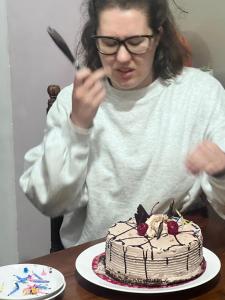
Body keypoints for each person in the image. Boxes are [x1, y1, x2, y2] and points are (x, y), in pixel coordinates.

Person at [20, 0, 225, 248]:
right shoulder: (71, 101)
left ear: (158, 36)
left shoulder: (201, 93)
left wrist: (221, 172)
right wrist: (77, 126)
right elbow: (48, 200)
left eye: (136, 41)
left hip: (168, 257)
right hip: (90, 260)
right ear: (94, 39)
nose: (122, 57)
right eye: (109, 42)